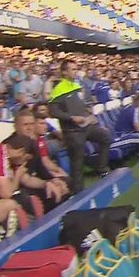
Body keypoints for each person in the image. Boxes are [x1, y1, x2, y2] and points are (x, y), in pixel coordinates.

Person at [49, 59, 111, 194]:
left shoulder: (76, 85)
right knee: (77, 163)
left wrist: (88, 112)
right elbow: (53, 111)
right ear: (64, 72)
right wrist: (71, 118)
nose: (75, 72)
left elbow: (80, 105)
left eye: (76, 69)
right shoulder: (59, 89)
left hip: (86, 126)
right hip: (72, 132)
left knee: (105, 136)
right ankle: (78, 193)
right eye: (72, 69)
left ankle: (102, 169)